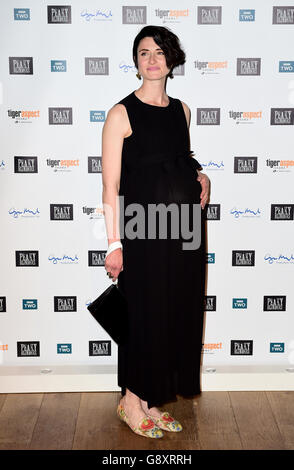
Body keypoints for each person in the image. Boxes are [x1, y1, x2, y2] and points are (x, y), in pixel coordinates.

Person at [102, 25, 210, 439]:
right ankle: (131, 401)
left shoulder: (182, 110)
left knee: (172, 314)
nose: (152, 59)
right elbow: (110, 186)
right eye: (144, 52)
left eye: (159, 51)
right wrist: (115, 244)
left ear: (172, 59)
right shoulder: (121, 114)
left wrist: (202, 178)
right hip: (141, 233)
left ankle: (152, 399)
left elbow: (178, 161)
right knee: (142, 317)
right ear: (136, 61)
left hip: (184, 232)